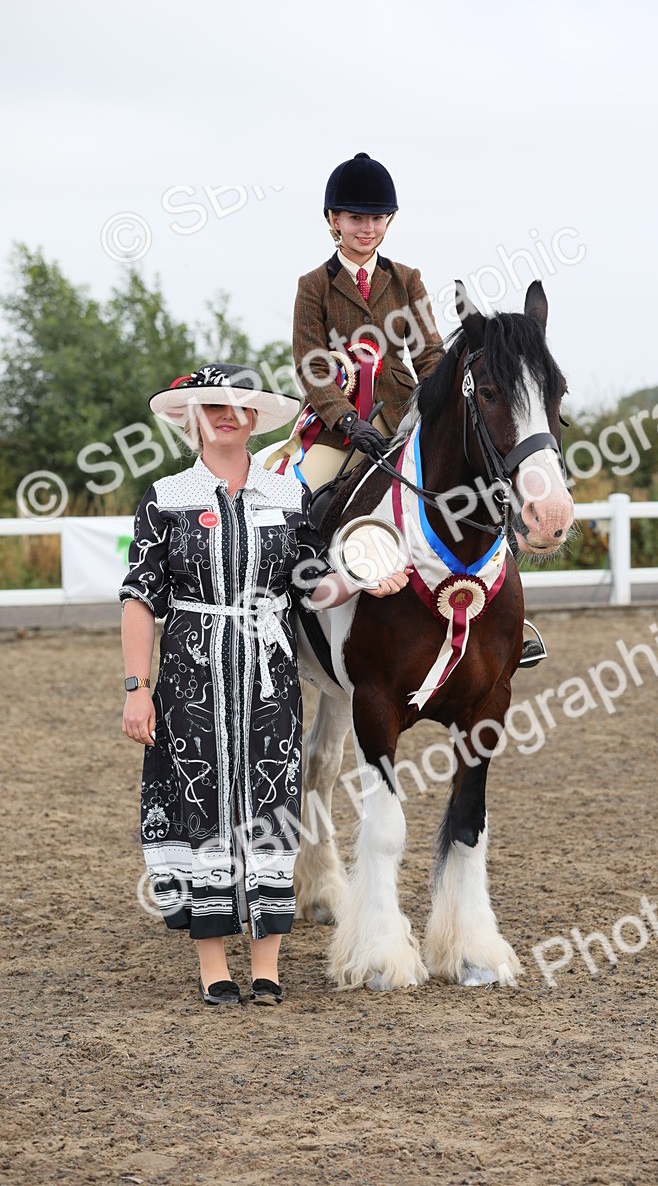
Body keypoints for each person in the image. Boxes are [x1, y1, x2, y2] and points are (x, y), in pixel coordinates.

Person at [120, 363, 408, 1007]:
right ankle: (213, 968)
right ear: (193, 419)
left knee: (270, 808)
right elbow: (140, 599)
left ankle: (267, 967)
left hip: (269, 679)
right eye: (214, 407)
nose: (228, 416)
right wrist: (137, 687)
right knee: (202, 807)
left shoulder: (286, 496)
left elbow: (312, 587)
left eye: (240, 407)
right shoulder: (165, 498)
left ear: (254, 419)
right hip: (191, 676)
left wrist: (361, 577)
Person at [269, 152, 443, 491]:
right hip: (338, 430)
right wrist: (346, 419)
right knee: (299, 493)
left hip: (402, 417)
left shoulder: (407, 280)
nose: (368, 229)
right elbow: (311, 365)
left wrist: (438, 409)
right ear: (335, 220)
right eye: (356, 218)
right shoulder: (313, 285)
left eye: (377, 218)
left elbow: (429, 356)